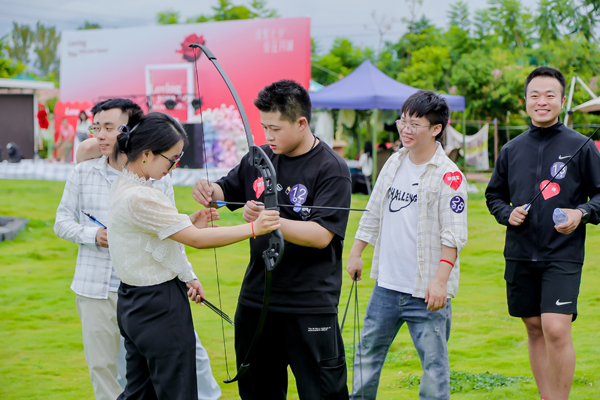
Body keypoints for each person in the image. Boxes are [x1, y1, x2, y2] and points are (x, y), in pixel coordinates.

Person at [193, 79, 353, 400]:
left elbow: (322, 235)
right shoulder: (260, 158)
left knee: (323, 393)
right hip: (258, 300)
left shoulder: (331, 168)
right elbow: (226, 191)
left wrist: (271, 221)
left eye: (275, 129)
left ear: (302, 123)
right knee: (258, 391)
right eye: (264, 127)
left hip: (309, 303)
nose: (268, 136)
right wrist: (209, 191)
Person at [55, 99, 222, 400]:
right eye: (96, 127)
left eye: (110, 127)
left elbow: (170, 233)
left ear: (131, 131)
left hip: (146, 289)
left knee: (173, 367)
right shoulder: (86, 172)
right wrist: (94, 234)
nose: (101, 135)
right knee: (106, 369)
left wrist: (188, 275)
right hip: (97, 286)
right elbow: (61, 222)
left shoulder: (157, 175)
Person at [107, 112, 280, 400]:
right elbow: (197, 240)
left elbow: (146, 236)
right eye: (172, 159)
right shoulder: (140, 195)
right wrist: (254, 228)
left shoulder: (126, 184)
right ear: (147, 154)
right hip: (157, 305)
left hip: (133, 302)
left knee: (139, 392)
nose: (173, 167)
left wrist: (186, 223)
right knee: (178, 392)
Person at [485, 66, 600, 400]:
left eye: (550, 95)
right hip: (520, 253)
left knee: (555, 327)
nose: (542, 101)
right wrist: (507, 214)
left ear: (562, 101)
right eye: (535, 95)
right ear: (525, 101)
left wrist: (581, 213)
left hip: (562, 254)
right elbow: (494, 196)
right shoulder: (511, 149)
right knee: (534, 328)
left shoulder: (581, 146)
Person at [346, 90, 468, 400]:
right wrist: (356, 252)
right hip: (386, 286)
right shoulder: (394, 161)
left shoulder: (450, 177)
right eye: (403, 121)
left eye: (415, 124)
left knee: (434, 367)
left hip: (425, 292)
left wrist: (440, 282)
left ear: (436, 128)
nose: (406, 129)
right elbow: (373, 211)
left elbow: (453, 236)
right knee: (366, 355)